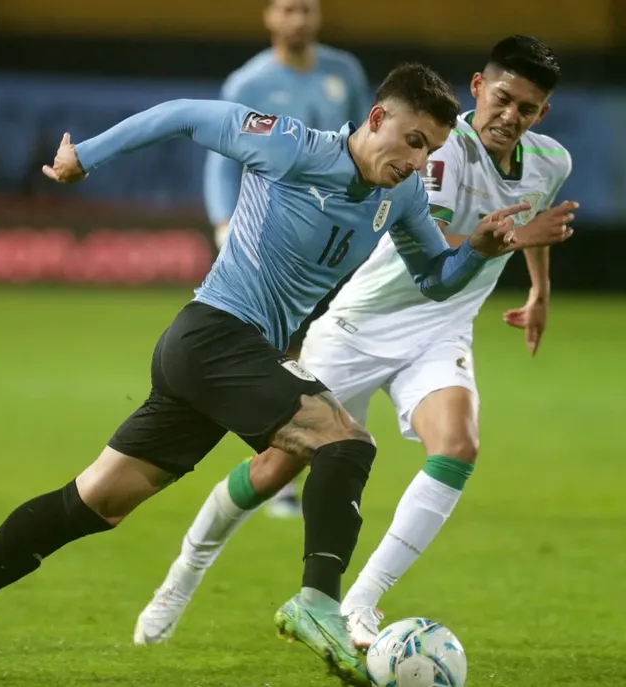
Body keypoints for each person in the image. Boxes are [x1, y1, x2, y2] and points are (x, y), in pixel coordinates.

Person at [0, 63, 572, 686]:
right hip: (214, 334)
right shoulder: (292, 146)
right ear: (374, 121)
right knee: (345, 442)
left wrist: (486, 246)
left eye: (429, 149)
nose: (418, 161)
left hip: (222, 357)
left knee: (97, 501)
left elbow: (433, 278)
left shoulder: (399, 201)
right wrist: (84, 157)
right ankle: (317, 601)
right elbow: (186, 114)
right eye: (411, 141)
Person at [133, 36, 576, 650]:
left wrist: (539, 294)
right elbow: (445, 250)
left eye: (527, 109)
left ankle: (361, 604)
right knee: (273, 470)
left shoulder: (552, 161)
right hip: (362, 324)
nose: (510, 117)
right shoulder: (439, 153)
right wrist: (520, 235)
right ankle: (185, 572)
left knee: (458, 447)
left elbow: (538, 219)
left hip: (441, 328)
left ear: (541, 116)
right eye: (503, 99)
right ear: (478, 87)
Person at [206, 0, 372, 519]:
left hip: (336, 238)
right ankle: (277, 473)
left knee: (328, 347)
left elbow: (369, 142)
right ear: (269, 17)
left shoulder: (343, 71)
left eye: (307, 8)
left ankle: (317, 452)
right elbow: (220, 158)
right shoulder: (248, 83)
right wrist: (222, 220)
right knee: (281, 352)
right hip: (274, 239)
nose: (299, 19)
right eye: (288, 8)